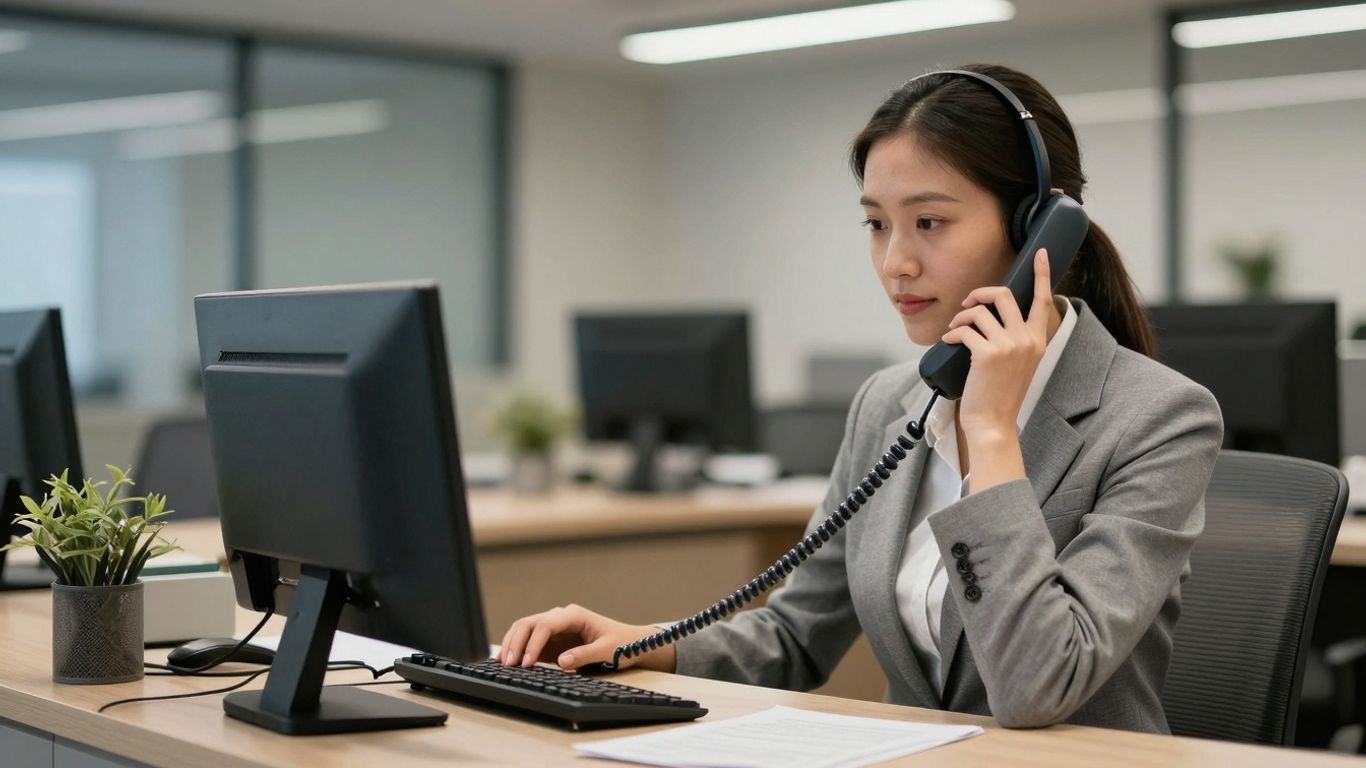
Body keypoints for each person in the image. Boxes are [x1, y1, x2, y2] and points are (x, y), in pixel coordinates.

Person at [495, 63, 1223, 733]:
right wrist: (645, 646)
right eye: (877, 223)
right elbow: (794, 636)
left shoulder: (1159, 418)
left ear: (1040, 228)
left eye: (929, 223)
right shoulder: (888, 404)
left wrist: (993, 435)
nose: (895, 263)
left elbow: (1038, 685)